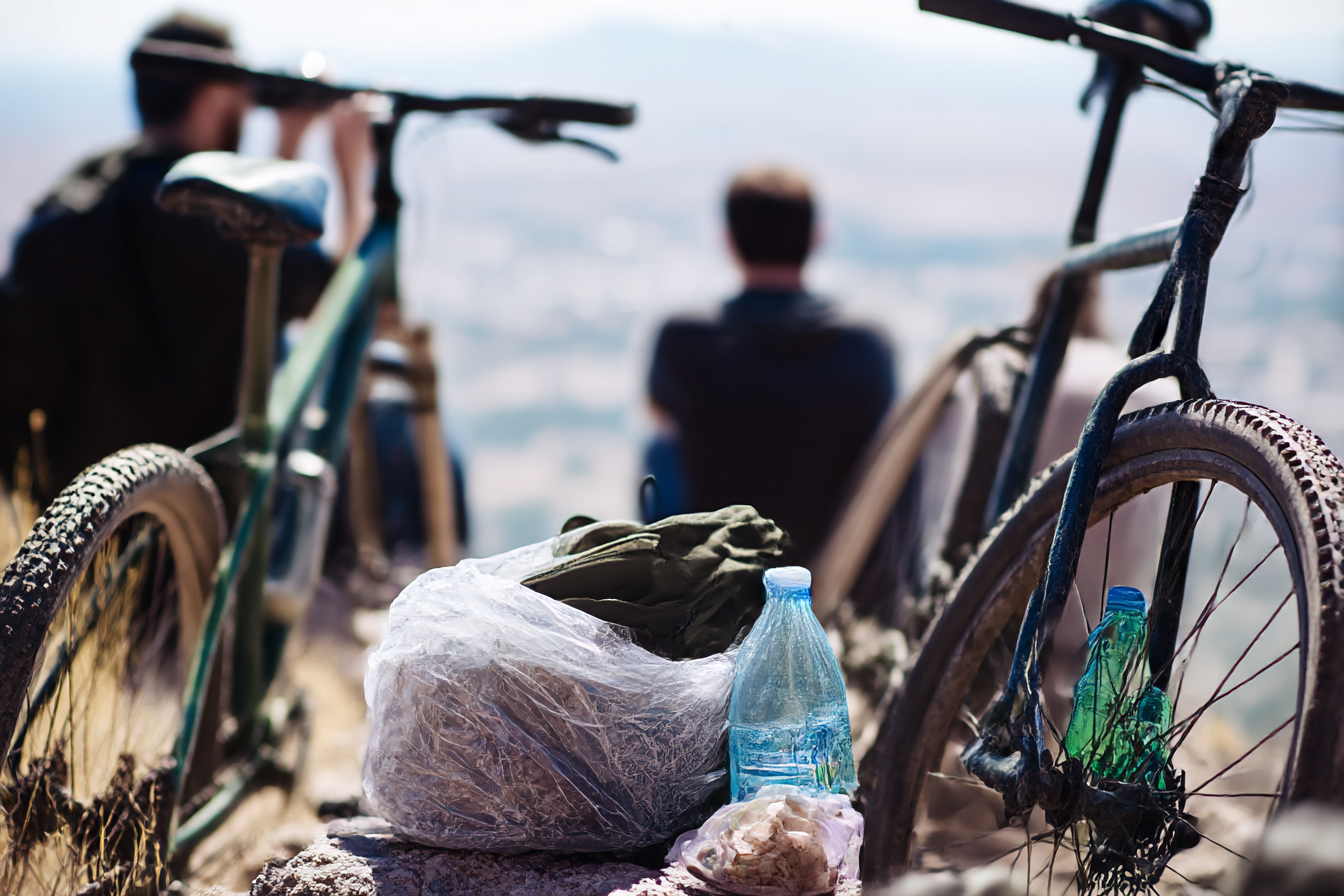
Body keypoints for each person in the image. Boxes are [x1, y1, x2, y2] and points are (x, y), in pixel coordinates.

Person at [0, 12, 371, 505]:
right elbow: (342, 304)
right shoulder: (210, 219)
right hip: (199, 513)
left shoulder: (77, 197)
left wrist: (287, 142)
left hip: (76, 517)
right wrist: (352, 167)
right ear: (215, 96)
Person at [645, 166, 895, 562]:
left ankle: (667, 571)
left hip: (716, 564)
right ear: (816, 239)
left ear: (728, 241)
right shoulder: (866, 344)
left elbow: (661, 424)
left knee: (661, 443)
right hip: (833, 564)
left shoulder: (685, 338)